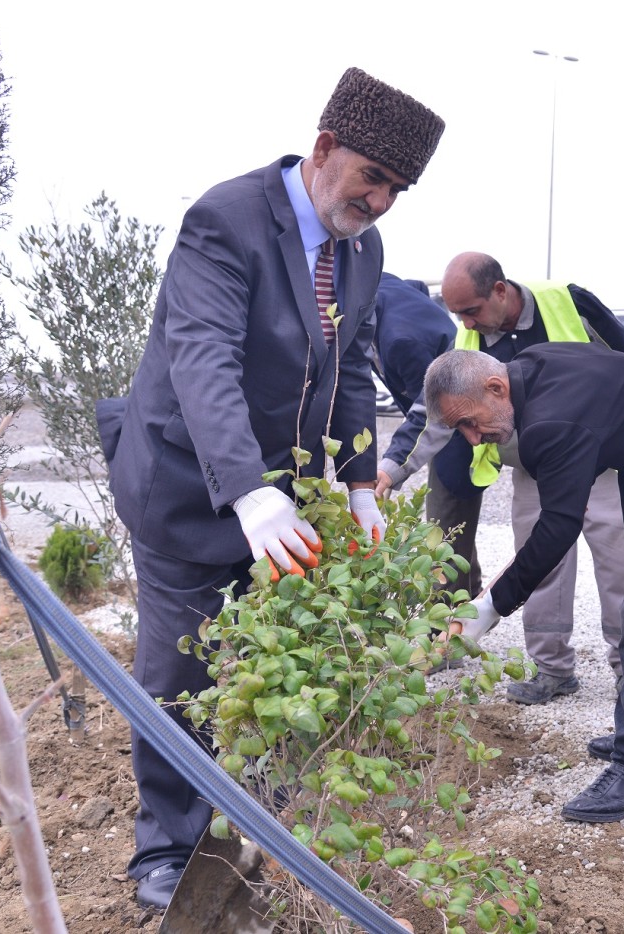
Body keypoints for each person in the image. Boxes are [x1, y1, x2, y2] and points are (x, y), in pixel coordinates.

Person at [102, 68, 443, 909]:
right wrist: (250, 492)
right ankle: (166, 848)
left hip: (279, 500)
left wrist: (362, 482)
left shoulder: (363, 249)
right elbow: (204, 360)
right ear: (325, 149)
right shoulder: (228, 220)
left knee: (265, 652)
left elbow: (353, 366)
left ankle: (256, 812)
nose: (382, 202)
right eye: (373, 178)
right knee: (177, 669)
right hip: (188, 484)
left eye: (397, 190)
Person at [424, 344, 624, 821]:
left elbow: (556, 529)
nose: (472, 439)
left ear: (495, 387)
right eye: (459, 429)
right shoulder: (530, 368)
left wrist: (483, 613)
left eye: (470, 421)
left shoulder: (550, 423)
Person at [434, 252, 624, 705]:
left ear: (499, 290)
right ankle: (552, 669)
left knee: (619, 568)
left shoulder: (568, 303)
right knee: (539, 563)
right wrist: (395, 468)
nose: (467, 323)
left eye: (471, 310)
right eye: (458, 314)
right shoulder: (467, 334)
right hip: (533, 469)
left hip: (602, 465)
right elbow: (440, 412)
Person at [371, 273, 482, 596]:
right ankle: (470, 595)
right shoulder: (379, 283)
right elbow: (416, 287)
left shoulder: (402, 342)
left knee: (444, 519)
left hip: (457, 415)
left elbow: (431, 411)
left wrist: (393, 465)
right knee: (452, 518)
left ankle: (450, 617)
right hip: (450, 398)